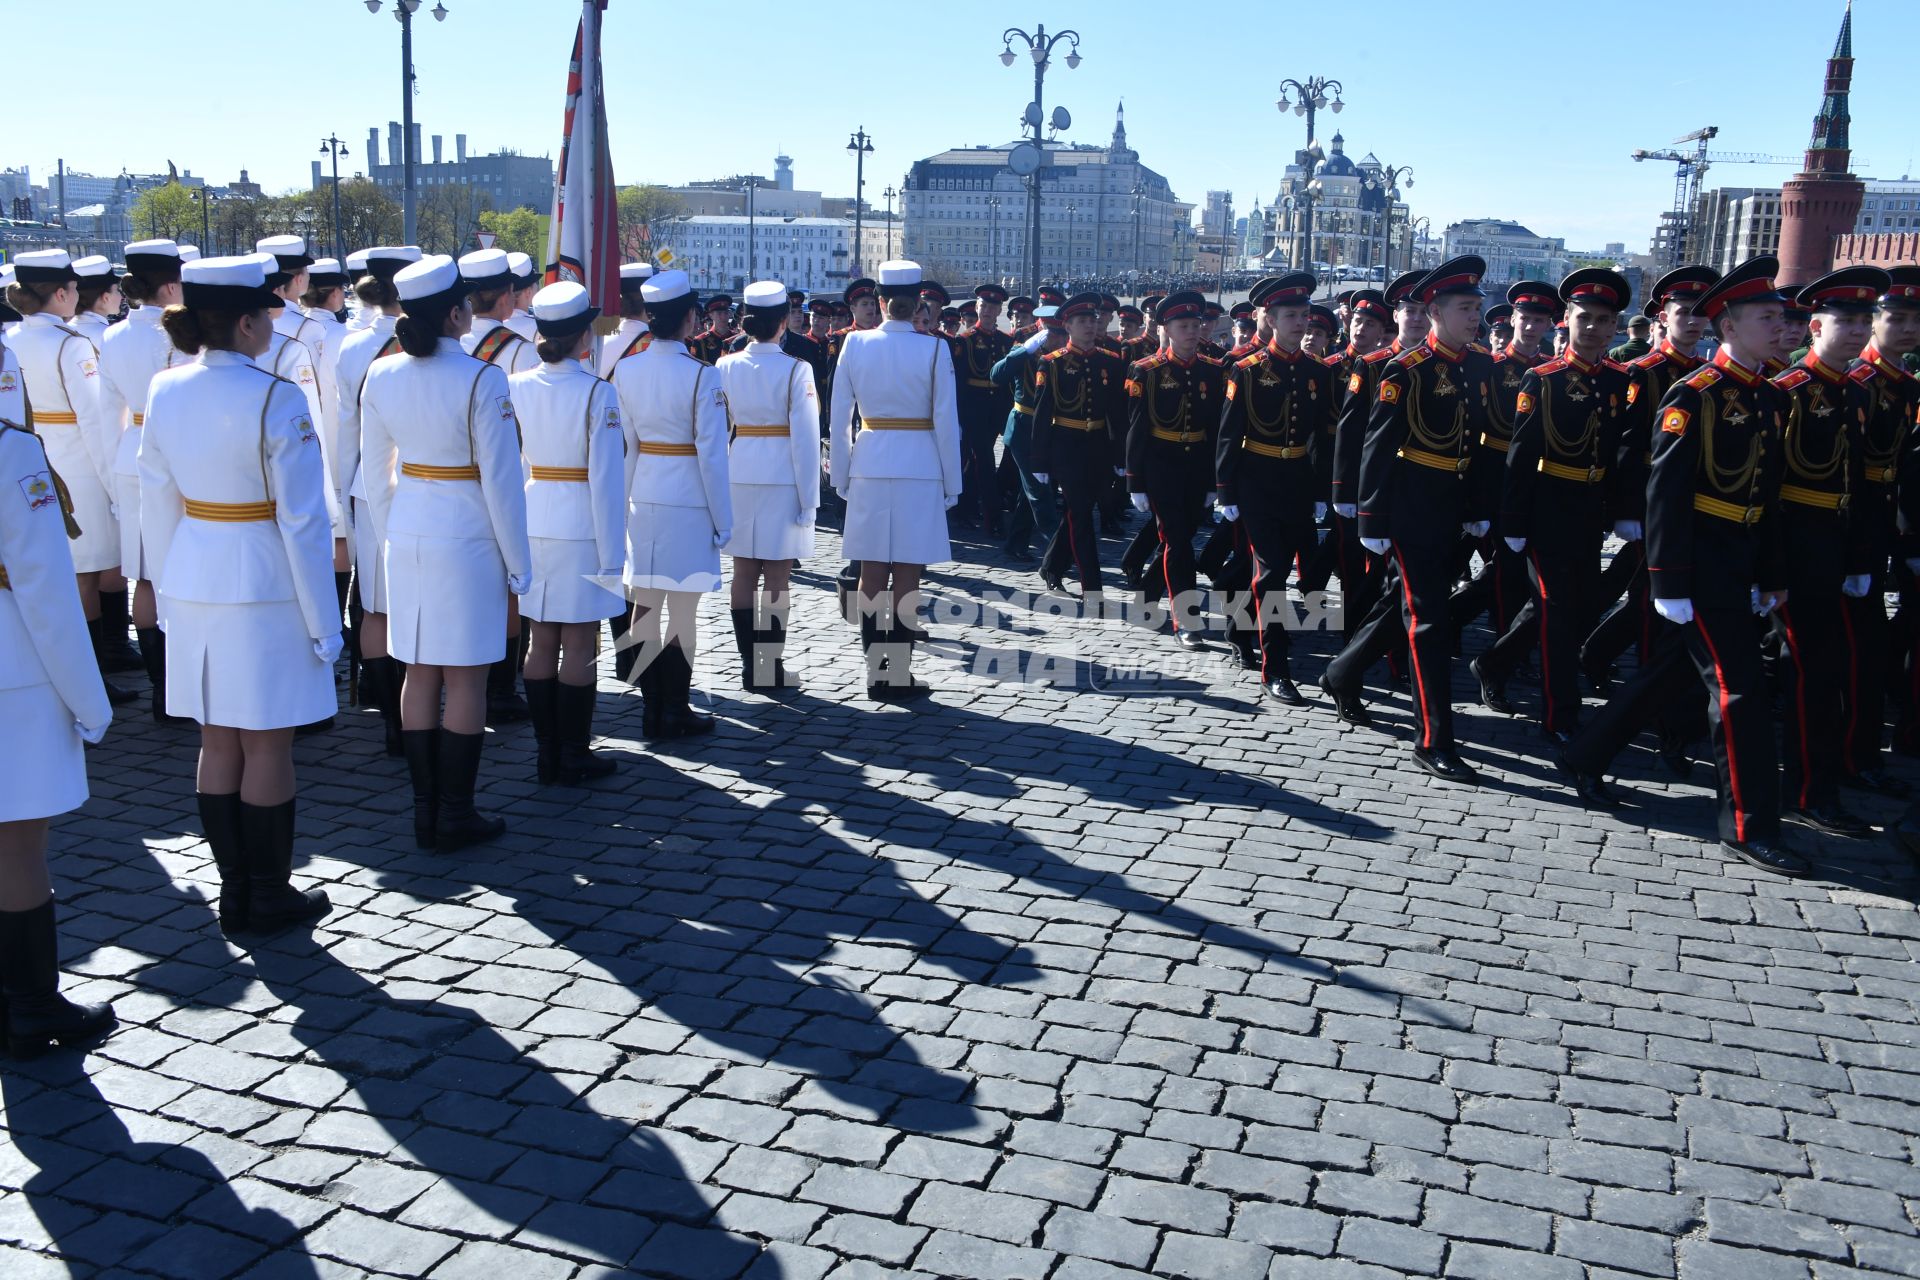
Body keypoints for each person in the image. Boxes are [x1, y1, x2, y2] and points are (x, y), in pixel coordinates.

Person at [1559, 256, 1805, 877]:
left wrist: (1772, 575)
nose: (1780, 328)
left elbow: (1765, 496)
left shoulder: (1771, 399)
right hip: (1696, 567)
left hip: (1739, 563)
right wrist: (1667, 580)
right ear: (1729, 328)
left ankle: (1587, 755)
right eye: (1766, 317)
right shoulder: (1692, 396)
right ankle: (1749, 827)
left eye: (1780, 316)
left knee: (1669, 674)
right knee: (1740, 691)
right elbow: (1663, 492)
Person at [139, 253, 337, 935]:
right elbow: (304, 521)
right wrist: (324, 620)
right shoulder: (277, 396)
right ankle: (268, 890)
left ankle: (234, 890)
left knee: (217, 740)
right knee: (268, 744)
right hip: (263, 581)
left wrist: (167, 594)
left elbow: (156, 499)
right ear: (249, 322)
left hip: (194, 573)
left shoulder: (165, 388)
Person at [360, 254, 532, 853]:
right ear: (457, 313)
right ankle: (455, 811)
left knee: (418, 670)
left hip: (408, 529)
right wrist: (519, 563)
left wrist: (389, 535)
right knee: (463, 677)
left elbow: (375, 478)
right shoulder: (483, 378)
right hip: (467, 535)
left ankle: (424, 810)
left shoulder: (381, 376)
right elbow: (503, 483)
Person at [1322, 256, 1494, 783]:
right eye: (1465, 308)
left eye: (1477, 307)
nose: (1475, 316)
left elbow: (1480, 444)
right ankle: (1432, 738)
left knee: (1404, 607)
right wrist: (1369, 519)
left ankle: (1341, 673)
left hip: (1454, 506)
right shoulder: (1406, 368)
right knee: (1428, 621)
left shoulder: (1480, 365)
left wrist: (1481, 507)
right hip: (1412, 507)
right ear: (1435, 312)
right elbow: (1376, 445)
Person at [0, 393, 116, 1056]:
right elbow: (44, 588)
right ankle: (34, 1004)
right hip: (10, 668)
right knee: (15, 847)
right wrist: (88, 701)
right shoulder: (10, 450)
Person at [1476, 269, 1633, 741]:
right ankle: (1559, 714)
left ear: (1615, 327)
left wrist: (1615, 510)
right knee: (1559, 615)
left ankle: (1494, 661)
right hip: (1545, 509)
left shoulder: (1618, 381)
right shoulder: (1541, 378)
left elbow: (1616, 454)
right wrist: (1514, 519)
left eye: (1605, 321)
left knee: (1571, 607)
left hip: (1589, 511)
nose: (1594, 328)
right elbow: (1520, 455)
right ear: (1567, 320)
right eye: (1585, 318)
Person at [1765, 267, 1885, 836]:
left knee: (1828, 668)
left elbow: (1858, 486)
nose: (1858, 329)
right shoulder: (1785, 393)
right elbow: (1765, 488)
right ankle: (1811, 791)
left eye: (1866, 319)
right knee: (1812, 672)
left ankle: (1821, 779)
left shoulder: (1858, 390)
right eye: (1846, 320)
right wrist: (1770, 567)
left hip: (1836, 547)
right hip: (1794, 548)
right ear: (1815, 326)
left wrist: (1861, 560)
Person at [5, 250, 133, 706]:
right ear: (60, 293)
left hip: (28, 461)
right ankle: (94, 673)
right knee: (87, 573)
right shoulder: (72, 344)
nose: (77, 296)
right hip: (77, 466)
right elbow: (96, 423)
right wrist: (114, 483)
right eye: (75, 289)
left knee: (62, 569)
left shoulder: (12, 339)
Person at [830, 260, 962, 700]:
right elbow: (946, 420)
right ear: (917, 304)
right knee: (907, 574)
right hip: (920, 463)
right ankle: (897, 674)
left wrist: (842, 474)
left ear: (882, 302)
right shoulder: (934, 349)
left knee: (870, 572)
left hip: (870, 459)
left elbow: (839, 418)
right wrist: (951, 480)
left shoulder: (854, 344)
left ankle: (875, 671)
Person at [512, 281, 624, 785]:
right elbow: (606, 479)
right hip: (581, 525)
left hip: (533, 518)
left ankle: (545, 750)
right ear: (583, 337)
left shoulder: (514, 384)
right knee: (579, 643)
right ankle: (573, 751)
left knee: (540, 640)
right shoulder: (598, 392)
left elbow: (508, 466)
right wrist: (611, 554)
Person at [612, 270, 731, 735]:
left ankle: (651, 708)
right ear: (688, 320)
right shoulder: (702, 375)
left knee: (644, 606)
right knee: (681, 610)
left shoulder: (627, 368)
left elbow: (627, 446)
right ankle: (674, 709)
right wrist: (724, 520)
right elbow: (713, 458)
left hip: (644, 495)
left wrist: (622, 504)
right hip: (687, 500)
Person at [1216, 274, 1333, 701]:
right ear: (1269, 317)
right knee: (1273, 572)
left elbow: (1320, 434)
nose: (1300, 323)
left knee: (1278, 565)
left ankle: (1237, 627)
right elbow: (1229, 434)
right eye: (1291, 315)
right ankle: (1275, 668)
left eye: (1305, 315)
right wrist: (1226, 490)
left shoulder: (1317, 371)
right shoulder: (1246, 370)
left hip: (1298, 480)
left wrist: (1322, 490)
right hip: (1256, 480)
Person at [95, 240, 190, 726]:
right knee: (180, 569)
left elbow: (101, 414)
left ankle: (161, 691)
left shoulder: (111, 337)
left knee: (145, 573)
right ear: (172, 284)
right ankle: (182, 686)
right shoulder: (178, 334)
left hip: (129, 454)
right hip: (177, 457)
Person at [334, 244, 419, 755]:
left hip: (368, 482)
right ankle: (416, 710)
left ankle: (392, 719)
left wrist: (346, 491)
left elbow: (345, 430)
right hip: (424, 481)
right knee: (413, 603)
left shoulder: (350, 347)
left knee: (375, 606)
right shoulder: (434, 342)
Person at [719, 281, 821, 693]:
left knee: (743, 570)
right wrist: (810, 499)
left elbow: (714, 432)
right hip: (782, 473)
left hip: (738, 467)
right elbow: (807, 438)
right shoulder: (797, 368)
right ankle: (768, 666)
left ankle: (749, 665)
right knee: (777, 575)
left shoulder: (724, 365)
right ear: (783, 322)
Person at [458, 248, 540, 726]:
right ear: (507, 296)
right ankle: (500, 688)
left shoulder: (438, 343)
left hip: (444, 481)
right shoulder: (517, 347)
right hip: (504, 478)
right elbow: (526, 428)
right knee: (509, 587)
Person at [1454, 281, 1559, 653]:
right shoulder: (1489, 365)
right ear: (1513, 318)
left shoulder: (1552, 371)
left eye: (1539, 320)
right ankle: (1498, 637)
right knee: (1497, 563)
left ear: (1549, 326)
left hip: (1534, 477)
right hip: (1491, 470)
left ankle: (1467, 622)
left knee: (1511, 564)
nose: (1531, 327)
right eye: (1525, 318)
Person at [1845, 267, 1920, 778]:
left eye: (1917, 318)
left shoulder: (1907, 386)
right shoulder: (1857, 383)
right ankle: (1855, 755)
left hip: (1894, 521)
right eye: (1896, 316)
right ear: (1874, 322)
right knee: (1858, 651)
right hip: (1856, 527)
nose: (1908, 327)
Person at [1123, 290, 1224, 653]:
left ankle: (1147, 598)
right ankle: (1186, 620)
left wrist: (1215, 480)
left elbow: (1215, 428)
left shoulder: (1213, 370)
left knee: (1180, 537)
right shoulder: (1145, 370)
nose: (1193, 332)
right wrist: (1135, 480)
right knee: (1178, 542)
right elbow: (1135, 427)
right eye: (1184, 326)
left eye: (1197, 325)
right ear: (1167, 328)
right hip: (1160, 464)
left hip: (1196, 464)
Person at [1031, 292, 1127, 604]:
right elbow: (1043, 414)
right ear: (1068, 326)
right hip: (1065, 447)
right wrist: (1040, 461)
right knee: (1083, 516)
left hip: (1097, 445)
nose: (1089, 326)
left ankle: (1051, 567)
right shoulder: (1052, 363)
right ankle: (1093, 589)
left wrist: (1119, 455)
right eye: (1081, 321)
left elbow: (1116, 413)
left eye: (1092, 320)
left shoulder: (1110, 362)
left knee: (1079, 510)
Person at [992, 306, 1066, 566]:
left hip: (1049, 430)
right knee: (1040, 493)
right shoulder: (1024, 351)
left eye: (1062, 332)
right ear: (1041, 330)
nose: (1059, 338)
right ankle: (1060, 555)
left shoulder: (1062, 356)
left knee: (1030, 492)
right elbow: (996, 375)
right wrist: (1026, 349)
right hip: (1024, 428)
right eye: (1053, 332)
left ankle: (1016, 543)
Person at [954, 284, 1014, 534]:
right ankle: (992, 519)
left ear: (999, 310)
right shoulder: (964, 340)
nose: (988, 311)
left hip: (998, 407)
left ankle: (966, 508)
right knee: (984, 461)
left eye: (993, 307)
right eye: (984, 306)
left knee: (985, 460)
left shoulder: (1005, 341)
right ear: (977, 307)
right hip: (973, 408)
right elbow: (958, 380)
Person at [69, 256, 122, 350]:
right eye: (117, 290)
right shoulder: (112, 336)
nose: (121, 296)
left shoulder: (65, 330)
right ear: (106, 297)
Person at [505, 252, 540, 341]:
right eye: (535, 282)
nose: (537, 286)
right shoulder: (540, 328)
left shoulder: (495, 326)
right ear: (528, 292)